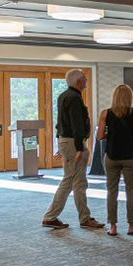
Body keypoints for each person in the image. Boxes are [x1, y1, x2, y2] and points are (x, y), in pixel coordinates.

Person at [43, 69, 104, 230]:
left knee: (69, 180)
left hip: (66, 142)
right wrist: (78, 148)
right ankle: (84, 218)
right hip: (73, 144)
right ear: (78, 82)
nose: (86, 80)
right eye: (84, 78)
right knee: (79, 183)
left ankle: (51, 216)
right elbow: (76, 124)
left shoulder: (63, 96)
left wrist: (60, 144)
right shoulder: (75, 98)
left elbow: (60, 123)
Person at [97, 84, 133, 236]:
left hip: (112, 155)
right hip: (130, 155)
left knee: (112, 191)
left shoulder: (106, 113)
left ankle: (113, 227)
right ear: (130, 97)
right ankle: (131, 226)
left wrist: (110, 136)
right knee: (131, 191)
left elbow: (99, 137)